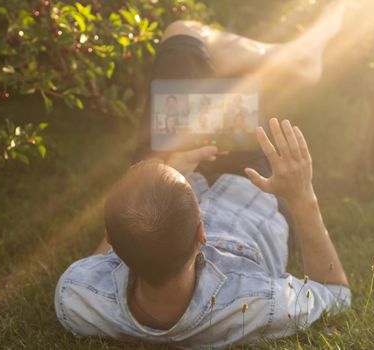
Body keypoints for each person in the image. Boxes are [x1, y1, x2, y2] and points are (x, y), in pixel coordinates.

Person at [55, 1, 349, 348]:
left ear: (112, 240)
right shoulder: (254, 302)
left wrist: (167, 169)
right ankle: (295, 57)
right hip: (254, 185)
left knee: (182, 38)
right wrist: (301, 198)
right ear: (201, 234)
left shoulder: (77, 297)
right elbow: (335, 296)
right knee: (225, 69)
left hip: (179, 165)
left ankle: (289, 59)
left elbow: (91, 269)